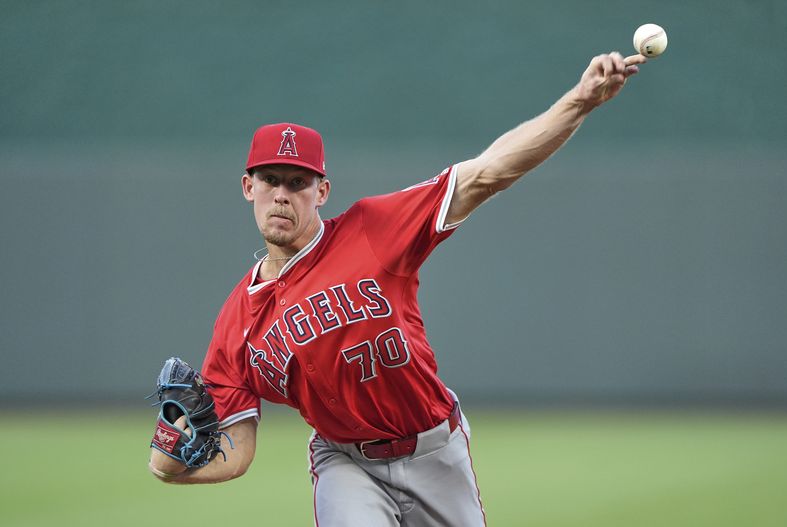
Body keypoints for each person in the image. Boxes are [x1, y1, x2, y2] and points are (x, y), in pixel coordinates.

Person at [149, 51, 647, 526]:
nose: (282, 194)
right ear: (247, 187)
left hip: (435, 449)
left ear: (321, 191)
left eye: (298, 182)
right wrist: (171, 467)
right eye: (270, 179)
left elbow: (489, 172)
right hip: (345, 463)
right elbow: (235, 454)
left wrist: (579, 101)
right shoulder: (235, 323)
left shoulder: (372, 229)